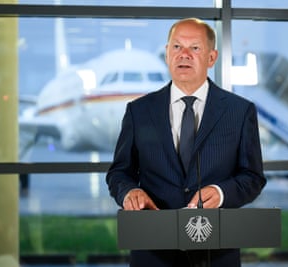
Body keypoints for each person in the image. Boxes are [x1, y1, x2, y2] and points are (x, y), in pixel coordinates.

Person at [106, 17, 266, 267]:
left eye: (195, 48)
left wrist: (222, 193)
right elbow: (119, 173)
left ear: (212, 58)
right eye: (177, 47)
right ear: (167, 54)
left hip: (216, 253)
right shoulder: (139, 111)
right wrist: (130, 191)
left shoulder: (240, 111)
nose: (184, 55)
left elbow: (252, 178)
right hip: (153, 253)